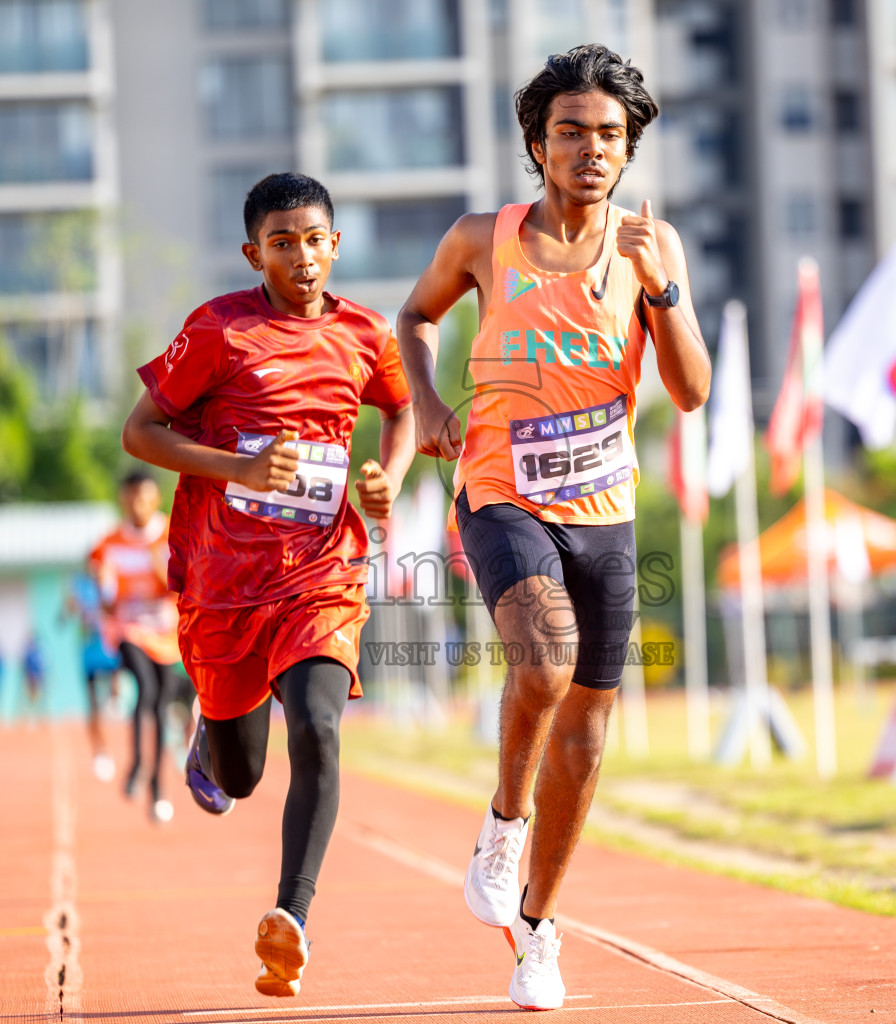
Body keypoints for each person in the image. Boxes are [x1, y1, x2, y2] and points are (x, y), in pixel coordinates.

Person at [396, 44, 710, 1011]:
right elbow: (413, 317)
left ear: (628, 150)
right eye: (569, 132)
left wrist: (661, 290)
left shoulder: (651, 248)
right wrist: (431, 407)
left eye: (608, 135)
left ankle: (536, 929)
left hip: (604, 511)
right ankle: (502, 823)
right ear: (538, 143)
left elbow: (692, 392)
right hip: (500, 490)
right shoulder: (481, 238)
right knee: (543, 665)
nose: (589, 149)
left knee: (590, 728)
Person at [121, 172, 414, 998]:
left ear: (336, 244)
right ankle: (210, 744)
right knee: (243, 776)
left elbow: (400, 410)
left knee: (318, 726)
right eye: (282, 243)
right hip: (224, 580)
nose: (303, 256)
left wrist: (387, 476)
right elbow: (139, 432)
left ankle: (291, 918)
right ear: (255, 253)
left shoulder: (364, 331)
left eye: (315, 239)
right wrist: (239, 466)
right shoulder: (217, 330)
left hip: (320, 572)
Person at [88, 470, 183, 824]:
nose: (137, 505)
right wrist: (103, 589)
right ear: (122, 499)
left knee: (160, 702)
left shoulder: (173, 533)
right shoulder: (109, 543)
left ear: (155, 499)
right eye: (130, 497)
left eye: (144, 497)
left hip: (166, 633)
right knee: (145, 688)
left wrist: (165, 575)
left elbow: (186, 585)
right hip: (128, 630)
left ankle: (158, 787)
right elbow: (106, 600)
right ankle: (138, 765)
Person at [63, 572, 123, 781]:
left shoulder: (113, 583)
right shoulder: (80, 586)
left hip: (110, 649)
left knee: (116, 686)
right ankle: (100, 752)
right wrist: (72, 605)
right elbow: (64, 617)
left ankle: (116, 699)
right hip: (89, 652)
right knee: (93, 705)